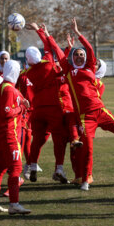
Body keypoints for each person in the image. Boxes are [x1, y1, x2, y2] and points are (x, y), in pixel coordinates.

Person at [47, 18, 114, 191]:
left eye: (82, 55)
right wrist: (47, 35)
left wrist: (78, 33)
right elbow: (59, 53)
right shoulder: (69, 70)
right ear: (72, 57)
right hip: (85, 117)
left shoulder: (90, 68)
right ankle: (85, 180)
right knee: (87, 148)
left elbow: (89, 48)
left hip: (101, 111)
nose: (80, 56)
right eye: (76, 55)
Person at [24, 22, 71, 184]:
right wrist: (39, 29)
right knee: (59, 139)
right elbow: (48, 46)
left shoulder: (29, 73)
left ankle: (33, 165)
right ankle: (59, 168)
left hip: (38, 110)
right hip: (53, 108)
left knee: (37, 139)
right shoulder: (48, 63)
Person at [0, 60, 31, 215]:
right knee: (16, 168)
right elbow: (7, 112)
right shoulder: (8, 89)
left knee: (0, 168)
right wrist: (21, 107)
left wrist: (22, 103)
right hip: (9, 134)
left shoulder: (4, 87)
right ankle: (14, 204)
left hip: (2, 134)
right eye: (18, 70)